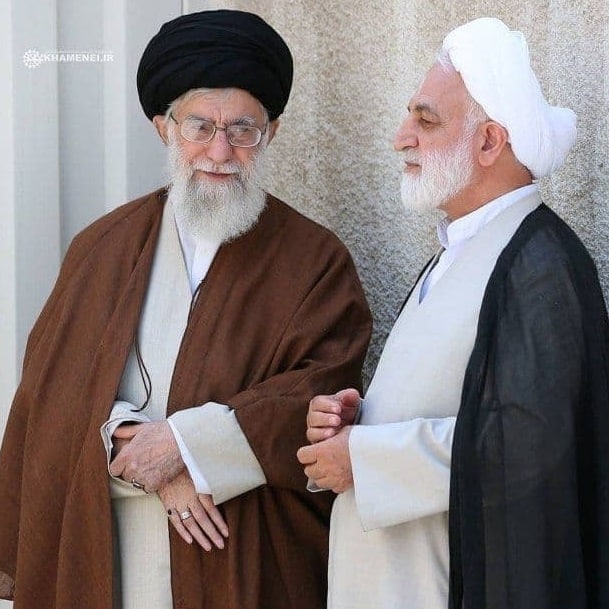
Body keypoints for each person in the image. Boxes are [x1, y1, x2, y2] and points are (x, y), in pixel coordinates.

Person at [0, 9, 372, 609]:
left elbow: (318, 396)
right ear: (163, 128)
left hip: (238, 554)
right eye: (200, 126)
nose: (219, 151)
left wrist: (186, 447)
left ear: (271, 133)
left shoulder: (315, 260)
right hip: (112, 546)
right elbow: (51, 393)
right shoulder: (102, 247)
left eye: (242, 129)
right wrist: (128, 441)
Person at [298, 16, 609, 609]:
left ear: (489, 142)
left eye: (426, 119)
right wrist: (358, 423)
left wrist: (365, 459)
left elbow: (533, 444)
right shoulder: (459, 248)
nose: (401, 138)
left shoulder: (541, 264)